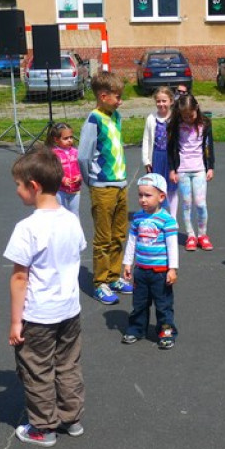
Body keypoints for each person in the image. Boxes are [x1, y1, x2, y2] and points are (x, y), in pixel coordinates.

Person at [5, 149, 88, 447]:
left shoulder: (27, 228)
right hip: (69, 310)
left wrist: (16, 321)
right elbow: (75, 252)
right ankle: (71, 418)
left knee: (37, 368)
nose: (17, 190)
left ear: (34, 185)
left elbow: (19, 277)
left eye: (18, 185)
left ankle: (43, 427)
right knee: (68, 363)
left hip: (39, 314)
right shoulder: (70, 220)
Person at [78, 71, 132, 305]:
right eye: (117, 97)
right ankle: (100, 283)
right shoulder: (94, 119)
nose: (120, 101)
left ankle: (114, 276)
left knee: (120, 234)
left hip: (121, 185)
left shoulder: (116, 116)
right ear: (103, 96)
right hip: (102, 187)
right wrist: (90, 180)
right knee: (103, 238)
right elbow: (83, 156)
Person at [122, 173, 179, 349]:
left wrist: (172, 268)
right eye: (140, 195)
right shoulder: (138, 218)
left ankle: (166, 332)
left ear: (161, 197)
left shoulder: (166, 220)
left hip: (160, 273)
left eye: (148, 195)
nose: (143, 200)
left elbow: (172, 246)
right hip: (141, 270)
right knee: (139, 303)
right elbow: (132, 241)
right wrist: (127, 263)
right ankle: (137, 329)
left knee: (163, 305)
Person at [167, 93, 215, 252]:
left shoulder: (205, 124)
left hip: (200, 169)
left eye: (191, 115)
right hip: (183, 170)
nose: (188, 119)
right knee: (186, 204)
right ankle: (191, 235)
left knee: (200, 204)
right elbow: (171, 148)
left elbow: (209, 147)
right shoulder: (175, 125)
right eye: (184, 116)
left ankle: (202, 234)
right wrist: (173, 169)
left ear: (197, 108)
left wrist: (210, 167)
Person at [141, 86, 178, 217]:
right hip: (156, 156)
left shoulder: (175, 118)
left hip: (171, 158)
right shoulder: (151, 118)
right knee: (157, 187)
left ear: (171, 101)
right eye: (158, 101)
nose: (161, 104)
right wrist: (146, 160)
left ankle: (172, 217)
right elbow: (146, 139)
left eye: (164, 101)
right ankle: (159, 215)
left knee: (172, 188)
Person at [46, 122, 83, 216]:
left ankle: (75, 230)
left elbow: (81, 167)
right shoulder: (54, 153)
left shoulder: (75, 152)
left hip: (75, 189)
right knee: (61, 214)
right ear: (56, 139)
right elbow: (52, 170)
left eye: (71, 137)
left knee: (75, 214)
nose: (70, 140)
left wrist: (80, 176)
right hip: (60, 190)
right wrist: (62, 179)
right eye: (65, 138)